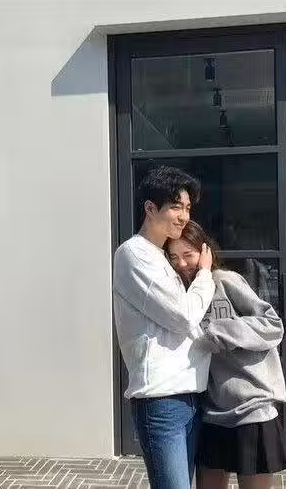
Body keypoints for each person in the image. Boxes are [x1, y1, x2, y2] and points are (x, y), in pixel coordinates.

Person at [166, 220, 286, 489]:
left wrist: (220, 331)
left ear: (205, 252)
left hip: (252, 409)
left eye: (188, 254)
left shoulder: (224, 281)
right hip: (211, 411)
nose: (181, 264)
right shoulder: (179, 296)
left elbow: (272, 325)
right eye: (173, 257)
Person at [113, 167, 216, 489]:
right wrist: (205, 274)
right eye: (175, 207)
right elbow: (184, 316)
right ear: (150, 208)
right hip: (161, 399)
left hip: (190, 395)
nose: (184, 216)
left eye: (187, 208)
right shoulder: (134, 254)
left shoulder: (163, 257)